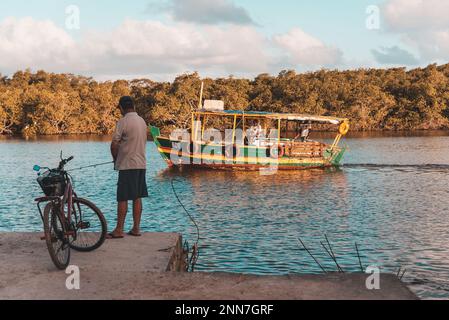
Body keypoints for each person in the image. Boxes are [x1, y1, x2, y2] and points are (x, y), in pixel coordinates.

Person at [108, 96, 148, 239]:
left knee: (123, 197)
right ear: (134, 106)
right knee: (137, 196)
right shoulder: (142, 121)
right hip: (141, 164)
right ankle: (136, 228)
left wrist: (115, 160)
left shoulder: (123, 121)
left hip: (127, 165)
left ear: (121, 108)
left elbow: (114, 144)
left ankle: (119, 230)